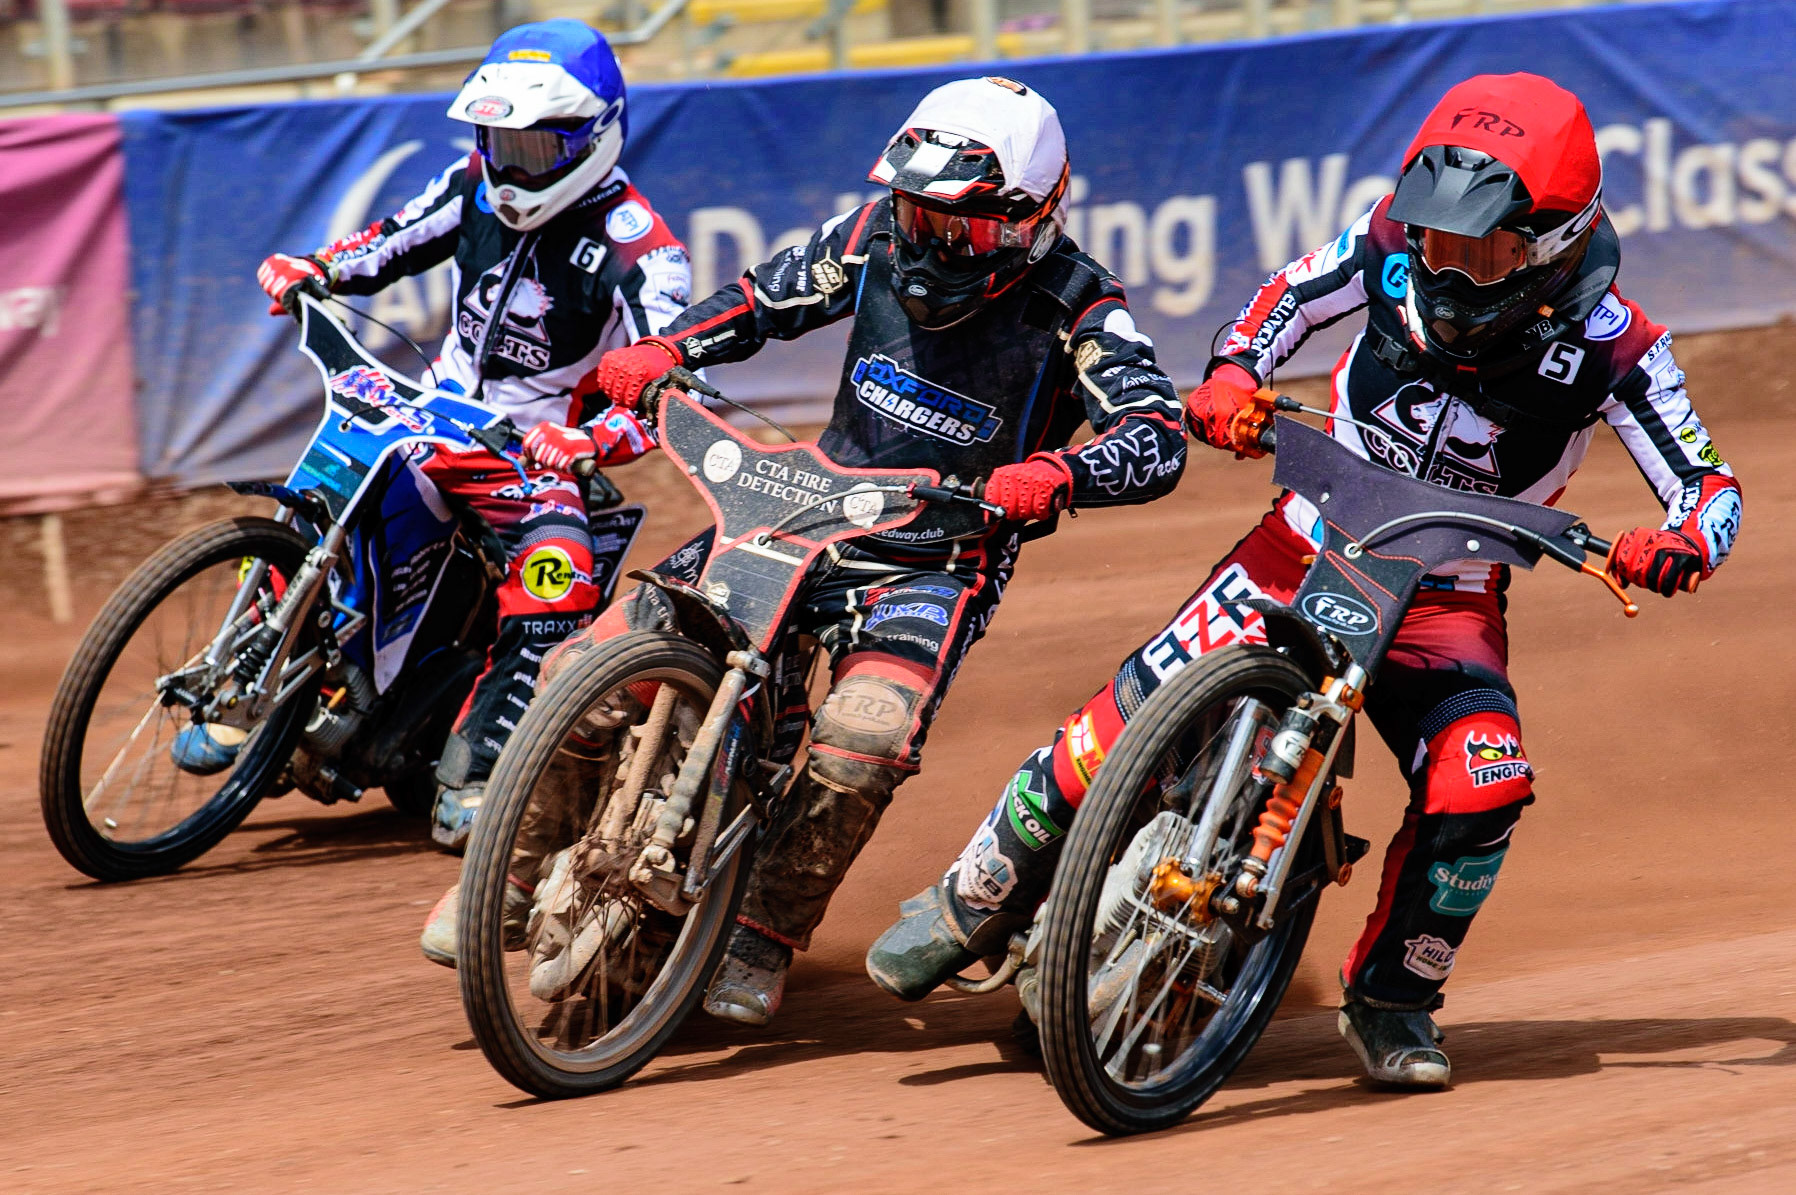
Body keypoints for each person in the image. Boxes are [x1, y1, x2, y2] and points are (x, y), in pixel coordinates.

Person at [867, 72, 1743, 1088]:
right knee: (1131, 703)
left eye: (1475, 247)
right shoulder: (1383, 247)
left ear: (1547, 241)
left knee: (1482, 783)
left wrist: (1679, 541)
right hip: (1305, 538)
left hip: (1446, 597)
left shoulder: (1618, 346)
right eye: (1431, 235)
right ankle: (975, 889)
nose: (1442, 262)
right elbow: (1275, 304)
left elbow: (1709, 486)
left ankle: (1393, 997)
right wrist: (1234, 373)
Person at [458, 76, 1188, 1017]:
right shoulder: (873, 233)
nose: (921, 240)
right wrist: (671, 348)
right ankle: (508, 882)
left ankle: (762, 929)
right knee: (588, 663)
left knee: (864, 737)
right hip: (799, 504)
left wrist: (1060, 474)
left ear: (1027, 216)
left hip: (935, 553)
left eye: (951, 226)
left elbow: (1157, 435)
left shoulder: (1083, 305)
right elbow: (765, 298)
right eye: (912, 212)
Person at [246, 21, 689, 894]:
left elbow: (669, 392)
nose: (511, 163)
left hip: (539, 454)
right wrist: (317, 270)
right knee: (325, 495)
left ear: (592, 137)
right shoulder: (473, 183)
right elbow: (389, 242)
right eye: (497, 140)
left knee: (557, 580)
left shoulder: (645, 249)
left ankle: (486, 770)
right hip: (435, 410)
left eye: (533, 144)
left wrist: (594, 438)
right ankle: (253, 674)